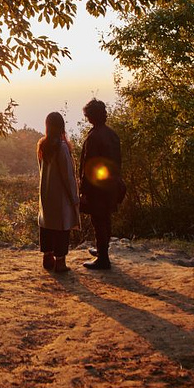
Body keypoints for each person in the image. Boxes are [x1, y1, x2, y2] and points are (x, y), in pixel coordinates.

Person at [79, 99, 122, 270]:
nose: (87, 118)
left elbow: (90, 165)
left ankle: (103, 259)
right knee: (106, 218)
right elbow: (118, 162)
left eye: (87, 115)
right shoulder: (112, 134)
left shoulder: (95, 137)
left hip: (98, 188)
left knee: (99, 220)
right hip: (111, 185)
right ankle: (102, 250)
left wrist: (84, 190)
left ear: (91, 116)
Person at [37, 112, 79, 273]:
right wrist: (74, 197)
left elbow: (41, 169)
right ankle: (60, 262)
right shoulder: (61, 147)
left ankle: (47, 257)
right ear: (62, 127)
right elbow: (68, 175)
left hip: (46, 192)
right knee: (62, 227)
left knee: (47, 224)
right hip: (60, 194)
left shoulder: (42, 145)